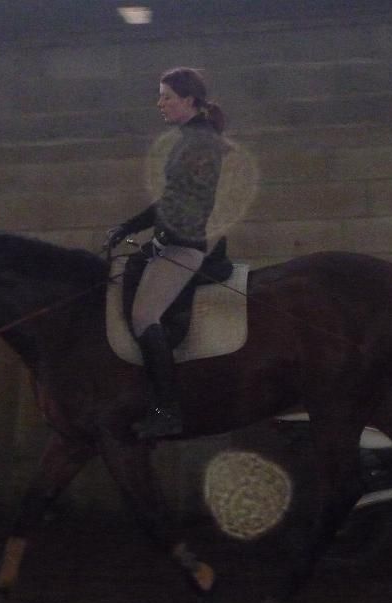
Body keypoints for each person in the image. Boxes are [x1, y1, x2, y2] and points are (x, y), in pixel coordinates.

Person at [106, 67, 226, 439]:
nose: (160, 103)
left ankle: (167, 411)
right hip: (169, 240)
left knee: (145, 316)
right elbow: (170, 200)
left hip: (183, 245)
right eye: (160, 96)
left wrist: (143, 232)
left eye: (166, 97)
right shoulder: (188, 139)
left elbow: (185, 204)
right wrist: (129, 228)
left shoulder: (200, 142)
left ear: (188, 100)